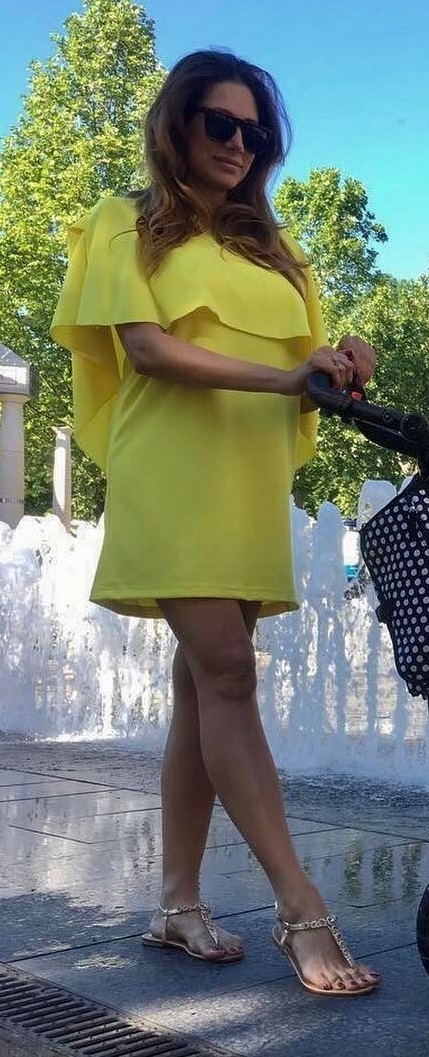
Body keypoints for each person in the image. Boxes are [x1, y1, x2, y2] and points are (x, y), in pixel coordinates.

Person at [51, 49, 380, 997]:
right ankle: (299, 905)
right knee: (229, 672)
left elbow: (300, 366)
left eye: (255, 131)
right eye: (220, 124)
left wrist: (341, 358)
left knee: (202, 687)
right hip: (172, 470)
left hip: (247, 475)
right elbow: (149, 350)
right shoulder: (125, 220)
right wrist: (281, 377)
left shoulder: (270, 248)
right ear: (178, 126)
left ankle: (176, 903)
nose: (240, 143)